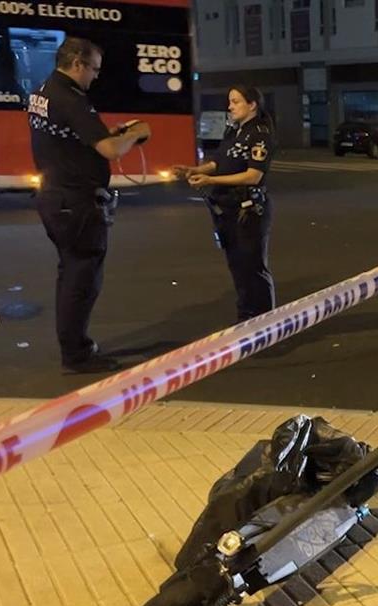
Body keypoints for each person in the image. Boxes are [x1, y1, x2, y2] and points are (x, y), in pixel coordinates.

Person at [29, 36, 152, 373]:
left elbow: (75, 137)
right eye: (94, 69)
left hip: (55, 197)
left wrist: (113, 132)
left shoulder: (43, 91)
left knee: (70, 272)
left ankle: (74, 345)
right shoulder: (71, 99)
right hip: (75, 202)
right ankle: (76, 354)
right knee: (82, 278)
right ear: (77, 64)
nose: (96, 76)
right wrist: (136, 133)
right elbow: (110, 150)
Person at [173, 86, 276, 322]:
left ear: (252, 105)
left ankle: (265, 321)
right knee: (237, 265)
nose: (230, 107)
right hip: (227, 209)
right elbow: (219, 162)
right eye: (230, 101)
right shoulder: (234, 130)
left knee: (253, 267)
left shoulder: (260, 134)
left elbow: (253, 176)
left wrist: (210, 180)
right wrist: (195, 170)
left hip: (249, 209)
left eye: (236, 101)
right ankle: (246, 317)